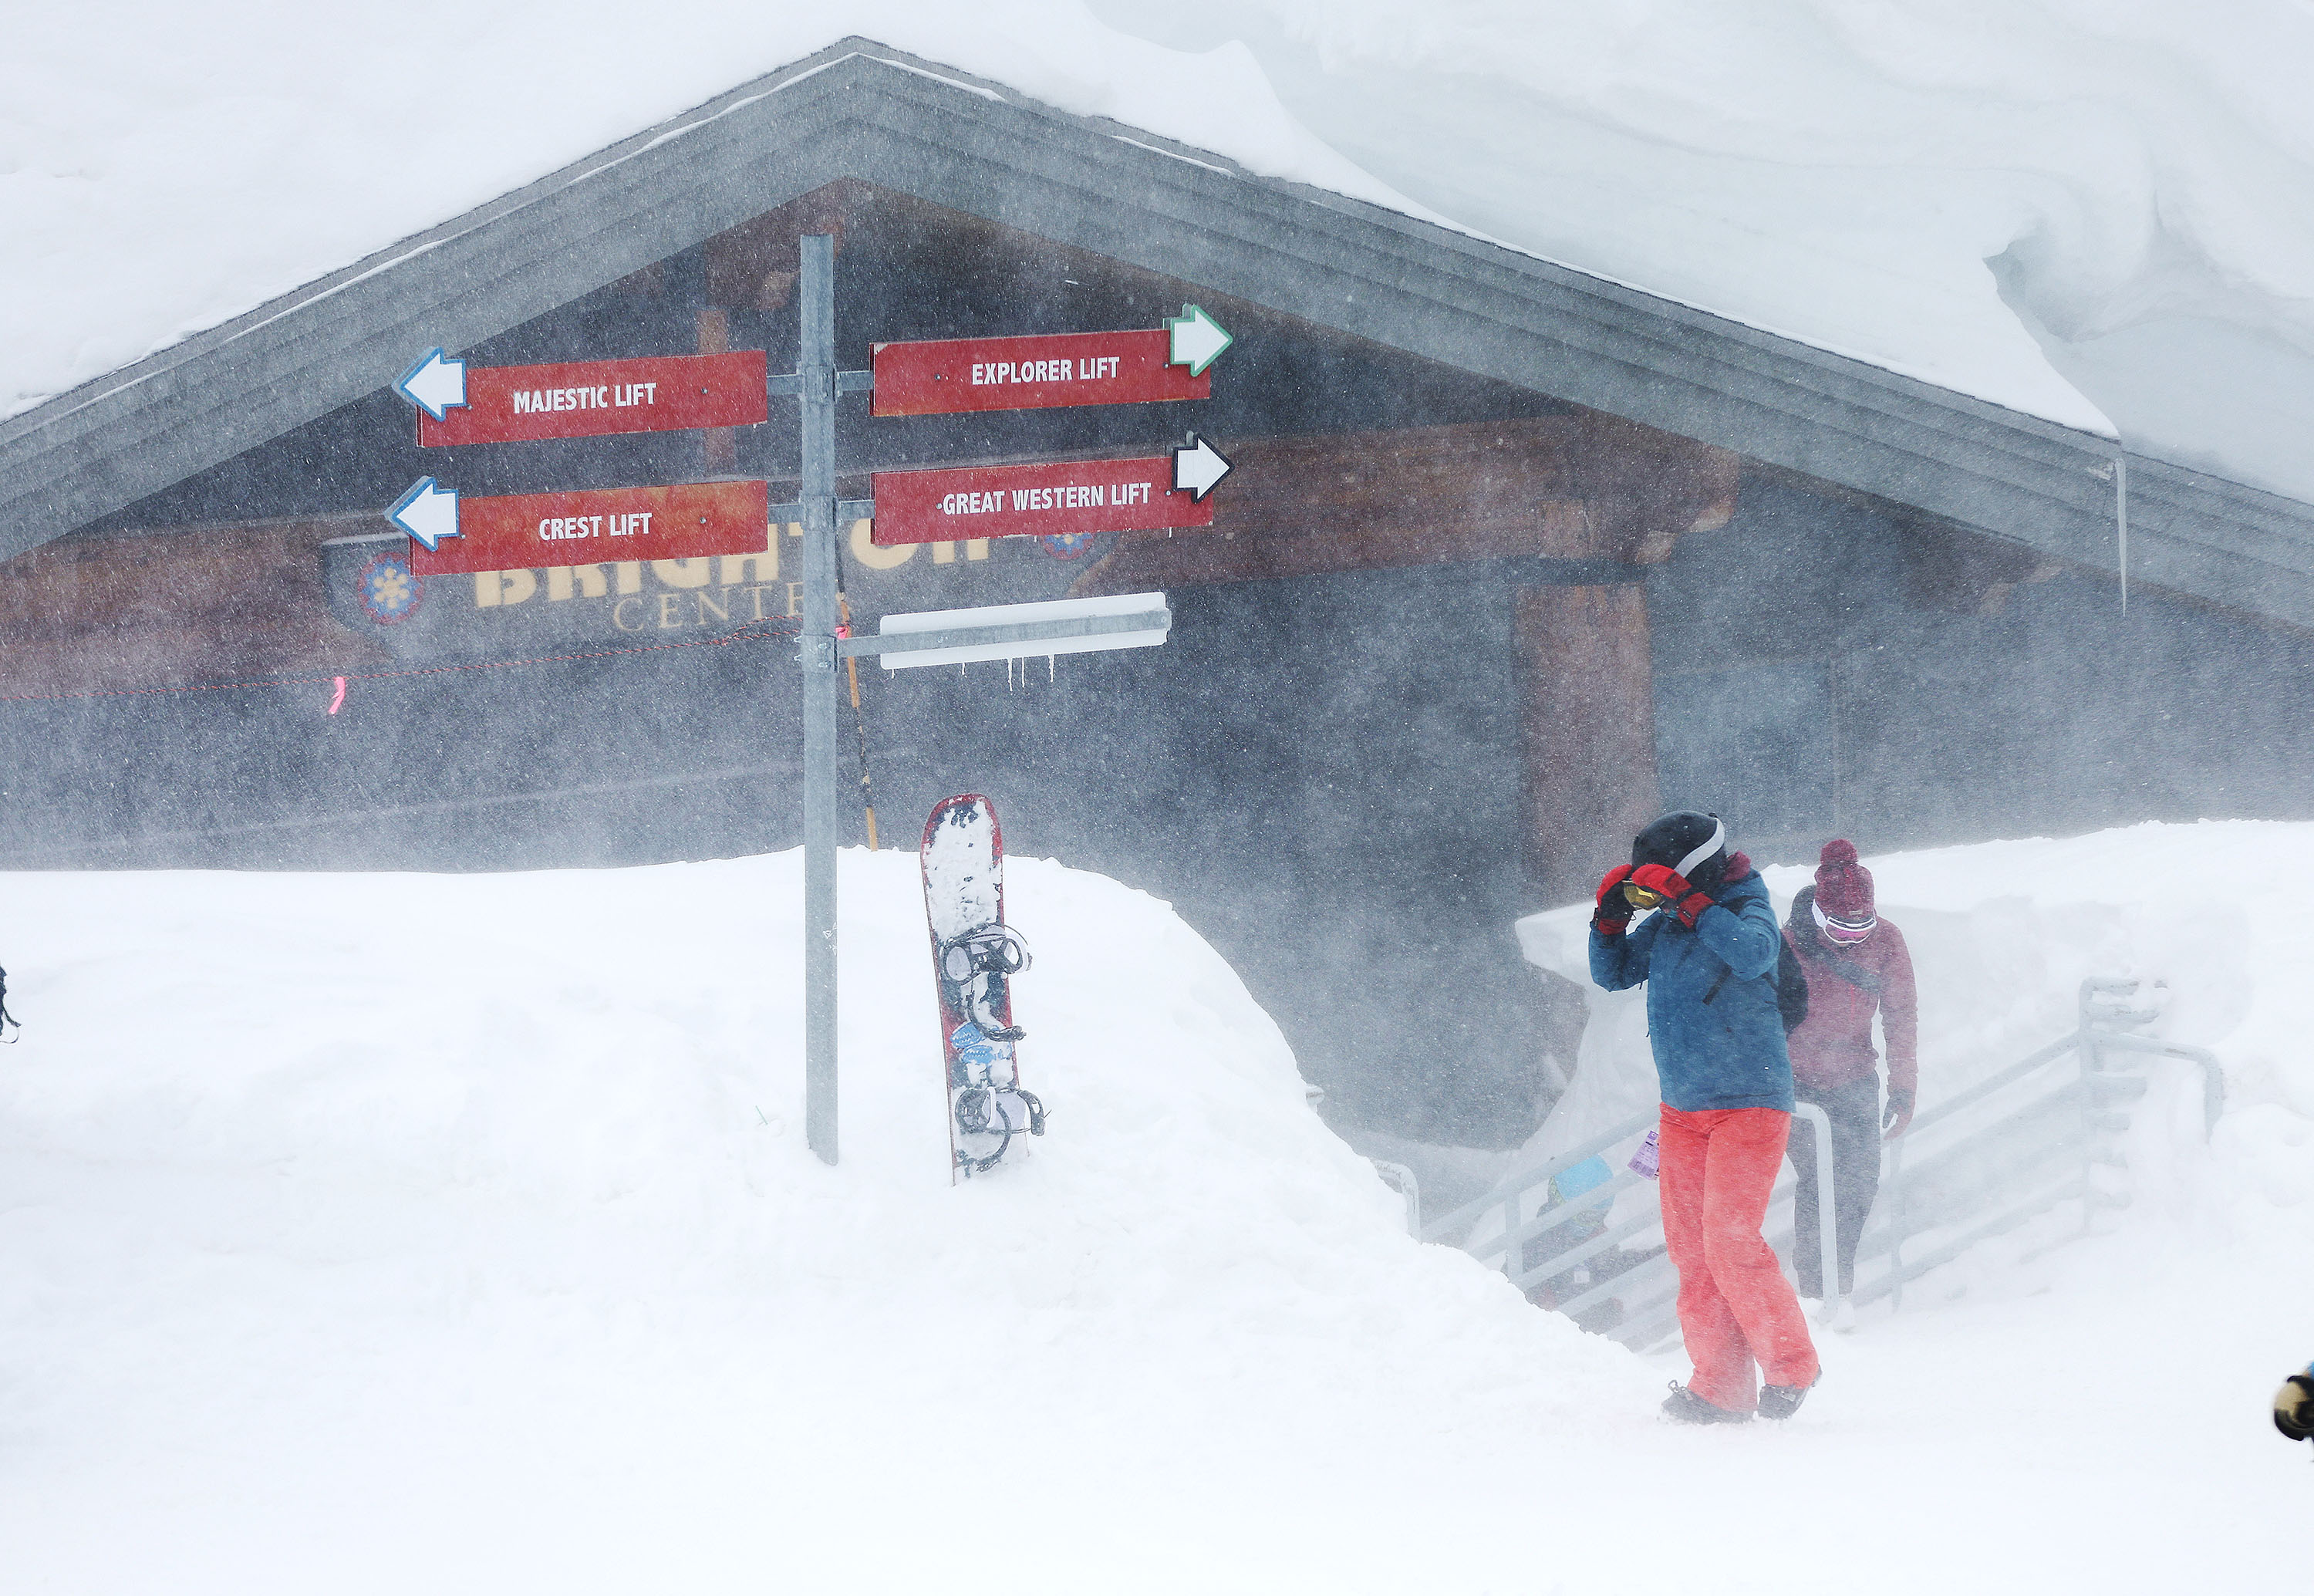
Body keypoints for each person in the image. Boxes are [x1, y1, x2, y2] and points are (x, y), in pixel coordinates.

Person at [1590, 811, 1821, 1424]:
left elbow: (1753, 952)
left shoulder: (1748, 904)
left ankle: (1793, 1365)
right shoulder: (1669, 920)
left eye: (1663, 882)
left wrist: (1691, 904)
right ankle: (1721, 1385)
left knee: (1729, 1239)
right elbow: (1613, 972)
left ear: (1693, 872)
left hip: (1751, 1100)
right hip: (1682, 1110)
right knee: (1692, 1250)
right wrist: (1608, 918)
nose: (1657, 896)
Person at [1781, 840, 1918, 1327]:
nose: (1849, 943)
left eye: (1861, 931)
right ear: (1819, 916)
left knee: (1860, 1181)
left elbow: (1900, 1013)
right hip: (1797, 1083)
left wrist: (1903, 1087)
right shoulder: (1787, 943)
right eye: (1839, 930)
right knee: (1820, 1181)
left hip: (1856, 1076)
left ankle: (1837, 1285)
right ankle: (1818, 1294)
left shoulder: (1888, 940)